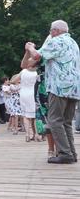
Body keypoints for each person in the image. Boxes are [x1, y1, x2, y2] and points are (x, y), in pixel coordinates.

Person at [26, 20, 80, 164]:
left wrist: (30, 47)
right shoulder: (73, 43)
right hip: (74, 88)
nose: (50, 33)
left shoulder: (56, 41)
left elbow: (37, 57)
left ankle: (65, 153)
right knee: (67, 122)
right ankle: (72, 153)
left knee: (55, 120)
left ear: (55, 30)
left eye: (51, 30)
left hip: (59, 87)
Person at [12, 67, 38, 142]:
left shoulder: (23, 71)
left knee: (25, 115)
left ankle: (27, 135)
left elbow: (13, 80)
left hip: (23, 93)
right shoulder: (36, 71)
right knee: (34, 115)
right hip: (33, 93)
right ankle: (35, 134)